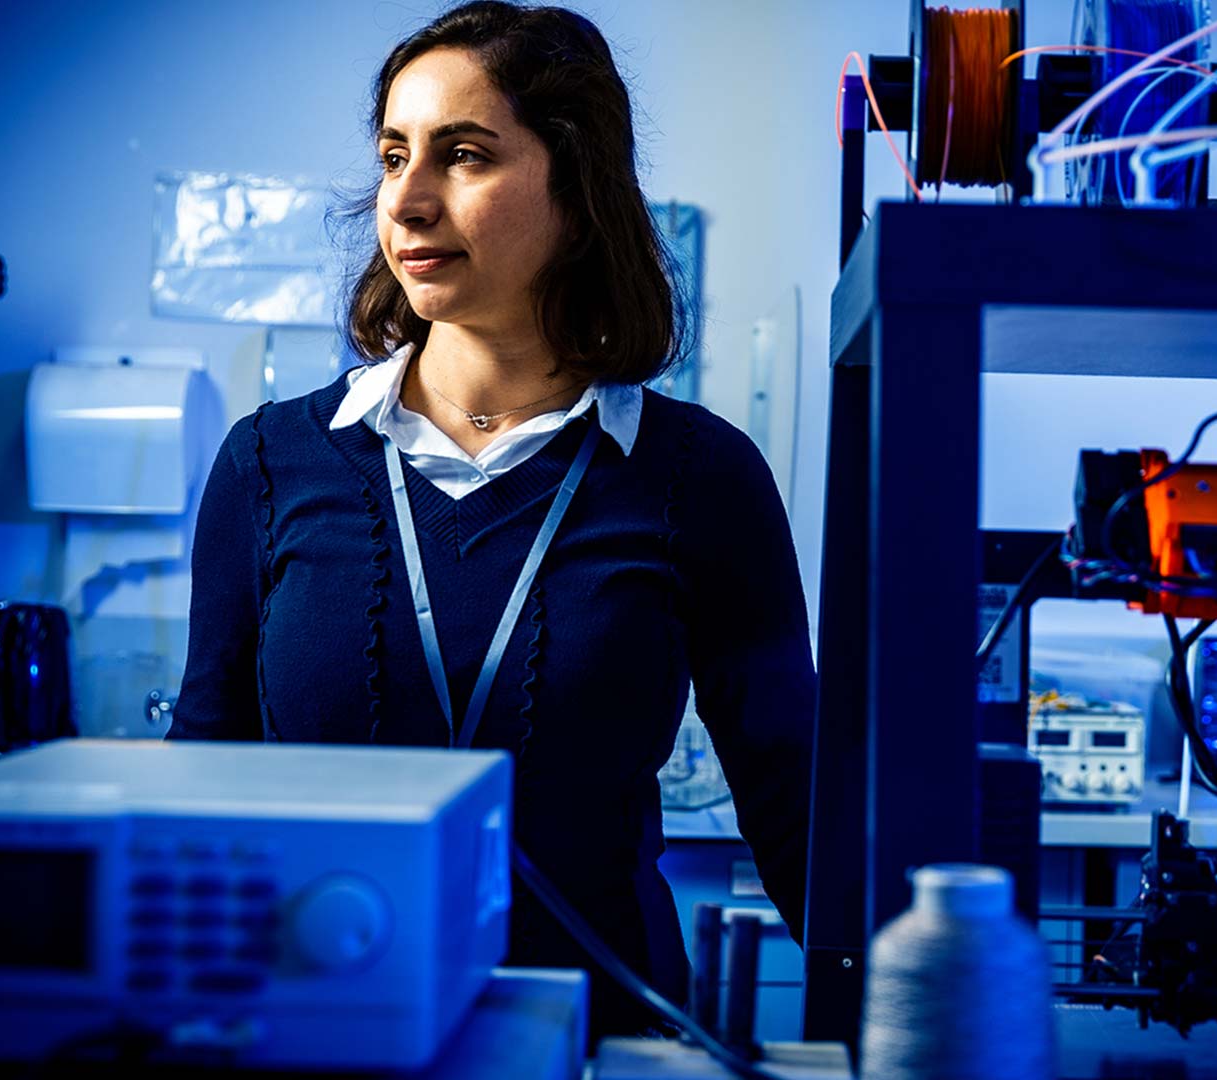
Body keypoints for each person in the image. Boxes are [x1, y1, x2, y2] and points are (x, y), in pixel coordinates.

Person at [169, 0, 815, 1038]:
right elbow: (202, 787)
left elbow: (796, 811)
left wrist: (905, 1029)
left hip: (607, 1044)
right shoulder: (268, 462)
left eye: (464, 155)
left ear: (576, 185)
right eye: (392, 157)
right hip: (313, 1034)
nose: (409, 202)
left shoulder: (697, 474)